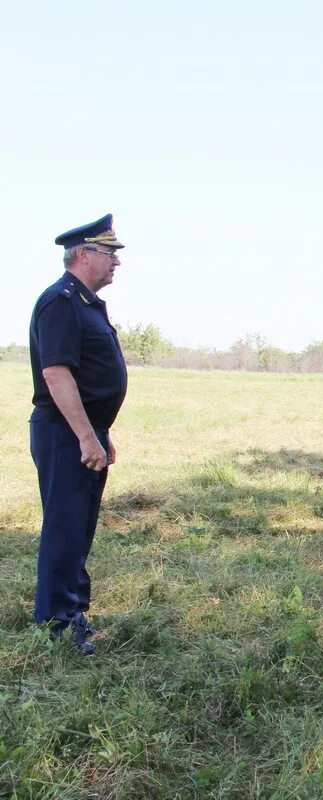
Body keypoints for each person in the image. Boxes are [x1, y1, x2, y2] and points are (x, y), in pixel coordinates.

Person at [29, 214, 128, 655]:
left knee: (80, 528)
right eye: (110, 254)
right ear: (84, 255)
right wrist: (86, 436)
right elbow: (57, 375)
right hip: (64, 433)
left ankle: (73, 617)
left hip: (85, 431)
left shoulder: (85, 303)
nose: (116, 263)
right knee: (65, 528)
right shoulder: (61, 302)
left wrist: (99, 432)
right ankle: (54, 628)